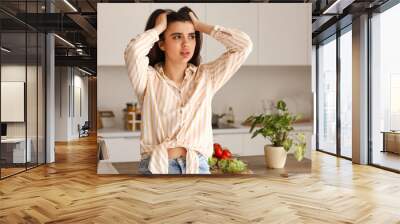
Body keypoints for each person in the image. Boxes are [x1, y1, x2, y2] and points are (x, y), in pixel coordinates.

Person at [124, 6, 252, 174]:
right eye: (177, 37)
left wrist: (201, 26)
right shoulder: (148, 79)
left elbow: (244, 46)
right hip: (158, 168)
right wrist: (158, 28)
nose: (186, 44)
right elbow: (133, 52)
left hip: (197, 167)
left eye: (191, 37)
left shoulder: (206, 77)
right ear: (161, 43)